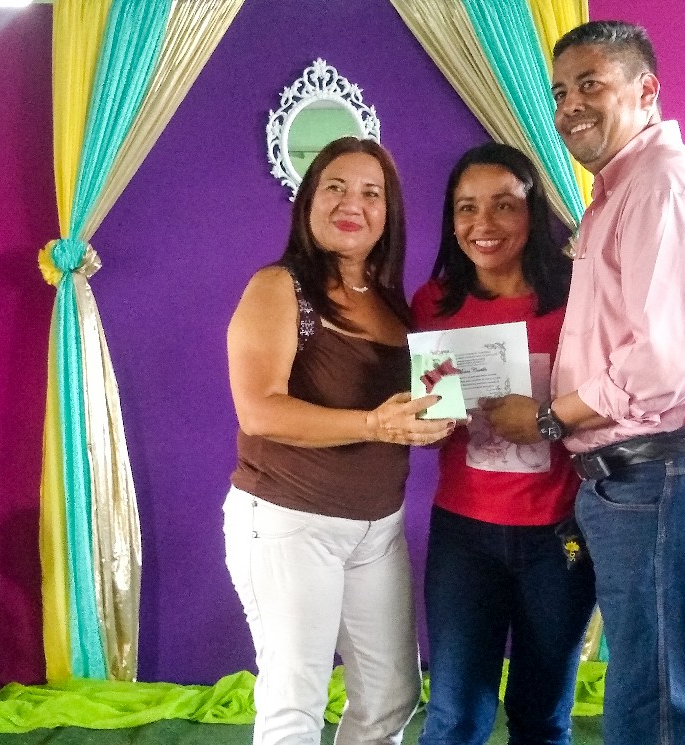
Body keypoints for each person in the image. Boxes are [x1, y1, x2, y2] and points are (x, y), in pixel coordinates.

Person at [479, 21, 685, 744]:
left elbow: (666, 360)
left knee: (655, 707)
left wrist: (550, 417)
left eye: (590, 85)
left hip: (664, 475)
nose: (569, 105)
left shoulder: (660, 187)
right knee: (684, 694)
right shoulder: (624, 190)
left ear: (646, 89)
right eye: (559, 92)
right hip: (652, 479)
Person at [223, 136, 455, 745]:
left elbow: (405, 413)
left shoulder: (394, 306)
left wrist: (430, 424)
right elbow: (259, 411)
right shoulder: (278, 286)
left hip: (378, 528)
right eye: (335, 187)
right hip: (289, 521)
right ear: (308, 202)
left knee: (391, 696)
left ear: (388, 214)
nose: (353, 203)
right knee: (294, 703)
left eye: (371, 193)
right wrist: (374, 424)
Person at [412, 143, 596, 745]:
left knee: (542, 716)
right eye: (466, 207)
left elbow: (620, 397)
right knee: (455, 717)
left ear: (532, 211)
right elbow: (422, 422)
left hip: (561, 535)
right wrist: (428, 423)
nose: (483, 223)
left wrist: (544, 420)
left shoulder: (579, 298)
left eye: (503, 205)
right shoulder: (433, 303)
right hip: (463, 535)